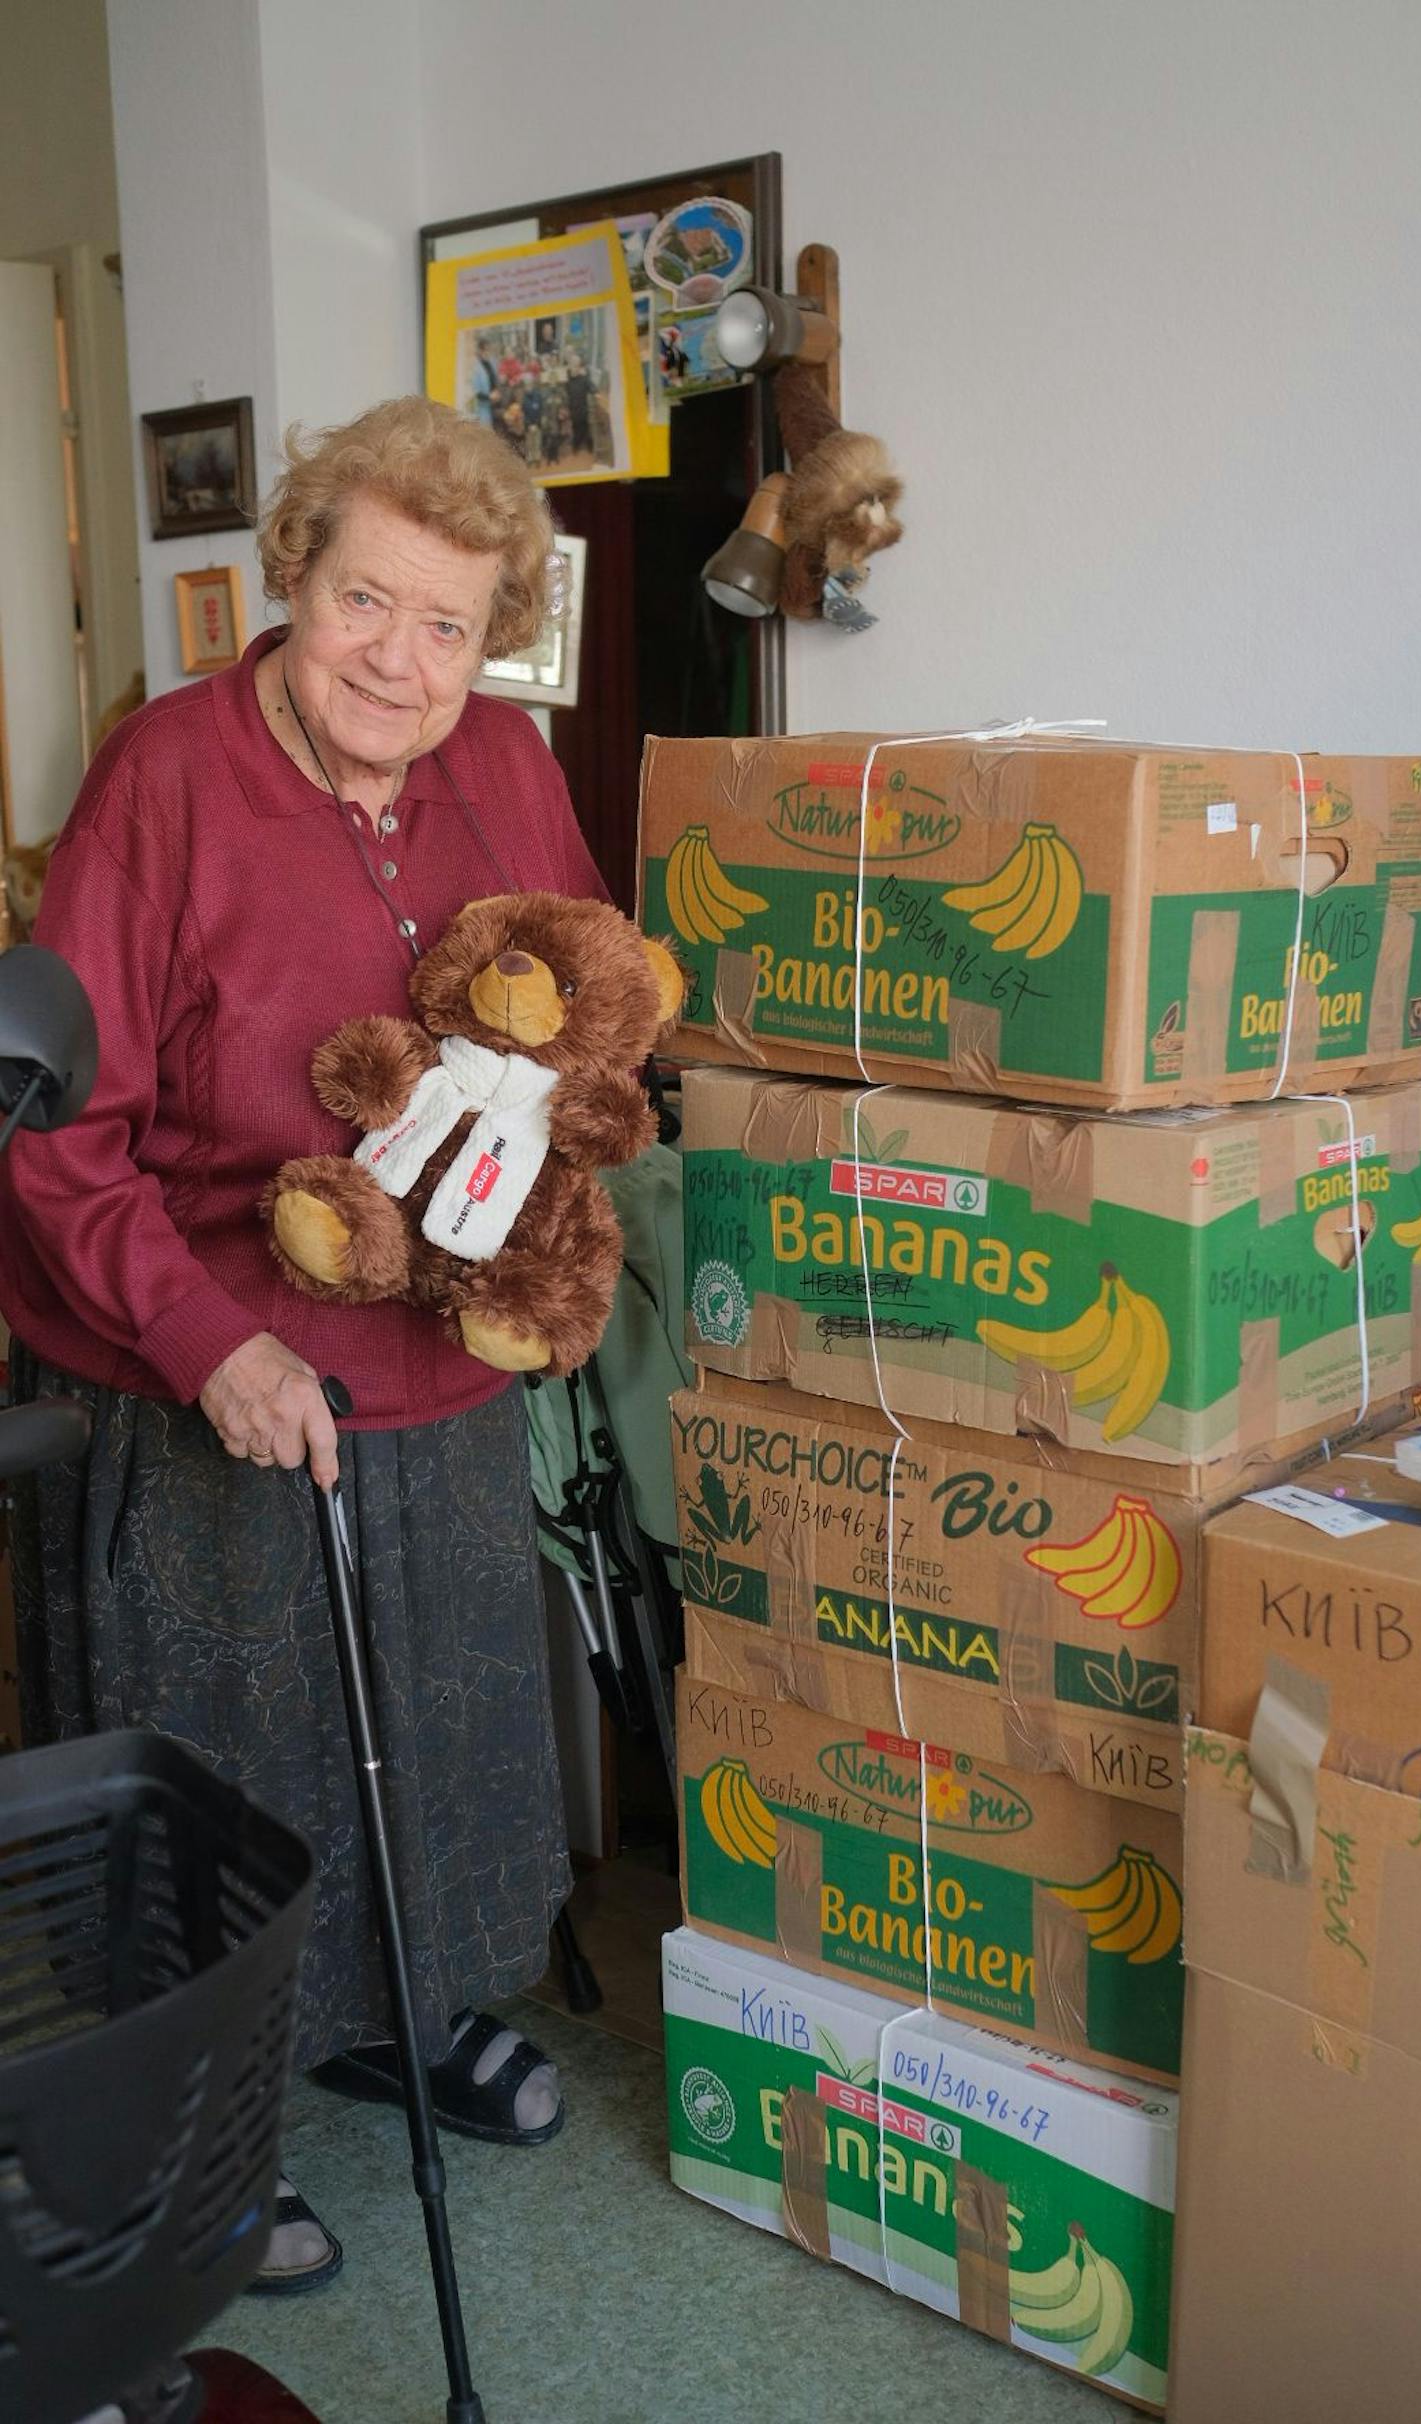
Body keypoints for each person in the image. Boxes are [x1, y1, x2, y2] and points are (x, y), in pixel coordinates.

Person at [0, 396, 606, 2296]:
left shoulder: (503, 758)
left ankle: (384, 2018)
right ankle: (194, 2129)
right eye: (366, 601)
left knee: (424, 1733)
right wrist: (203, 1342)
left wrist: (562, 1204)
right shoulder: (164, 779)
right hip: (188, 1348)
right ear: (291, 577)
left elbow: (586, 1011)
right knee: (228, 1768)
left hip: (429, 1355)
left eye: (449, 624)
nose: (403, 661)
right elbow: (51, 1130)